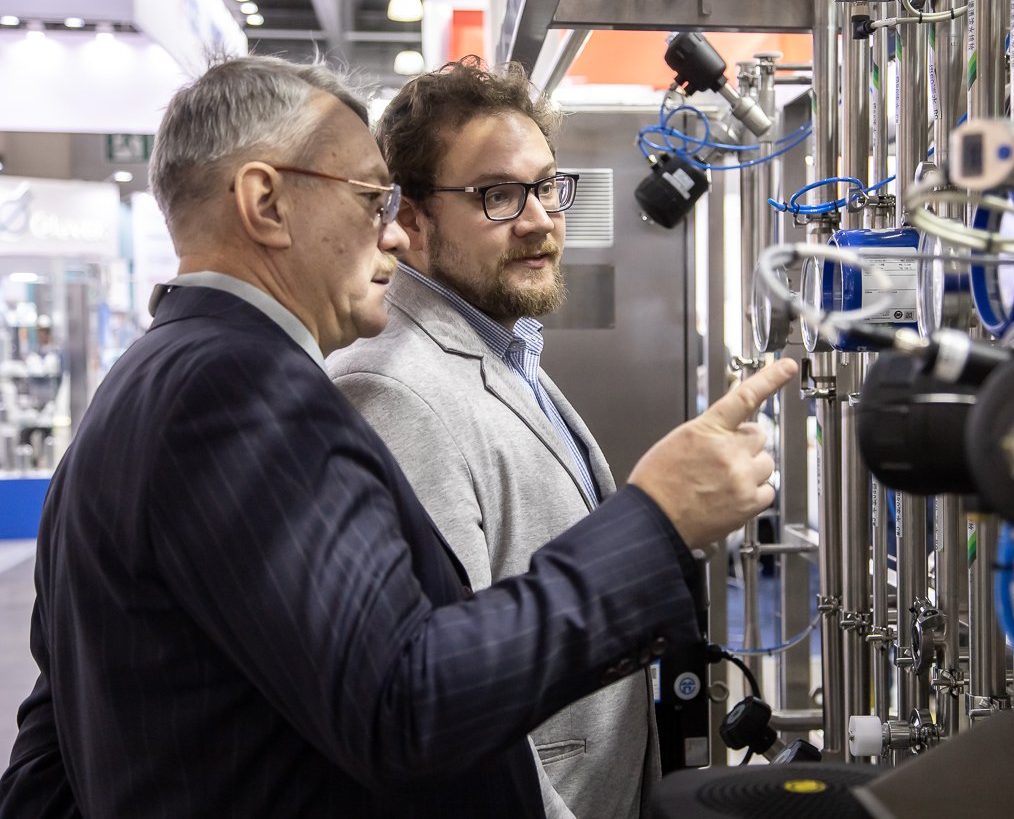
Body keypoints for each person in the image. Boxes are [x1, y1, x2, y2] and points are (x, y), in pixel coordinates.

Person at [0, 55, 796, 818]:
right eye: (369, 198)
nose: (391, 234)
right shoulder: (238, 392)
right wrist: (653, 520)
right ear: (265, 202)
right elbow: (407, 702)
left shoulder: (146, 380)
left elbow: (53, 734)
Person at [327, 57, 648, 818]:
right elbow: (448, 702)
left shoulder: (507, 347)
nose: (538, 220)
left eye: (547, 187)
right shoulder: (391, 389)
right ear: (409, 218)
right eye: (496, 195)